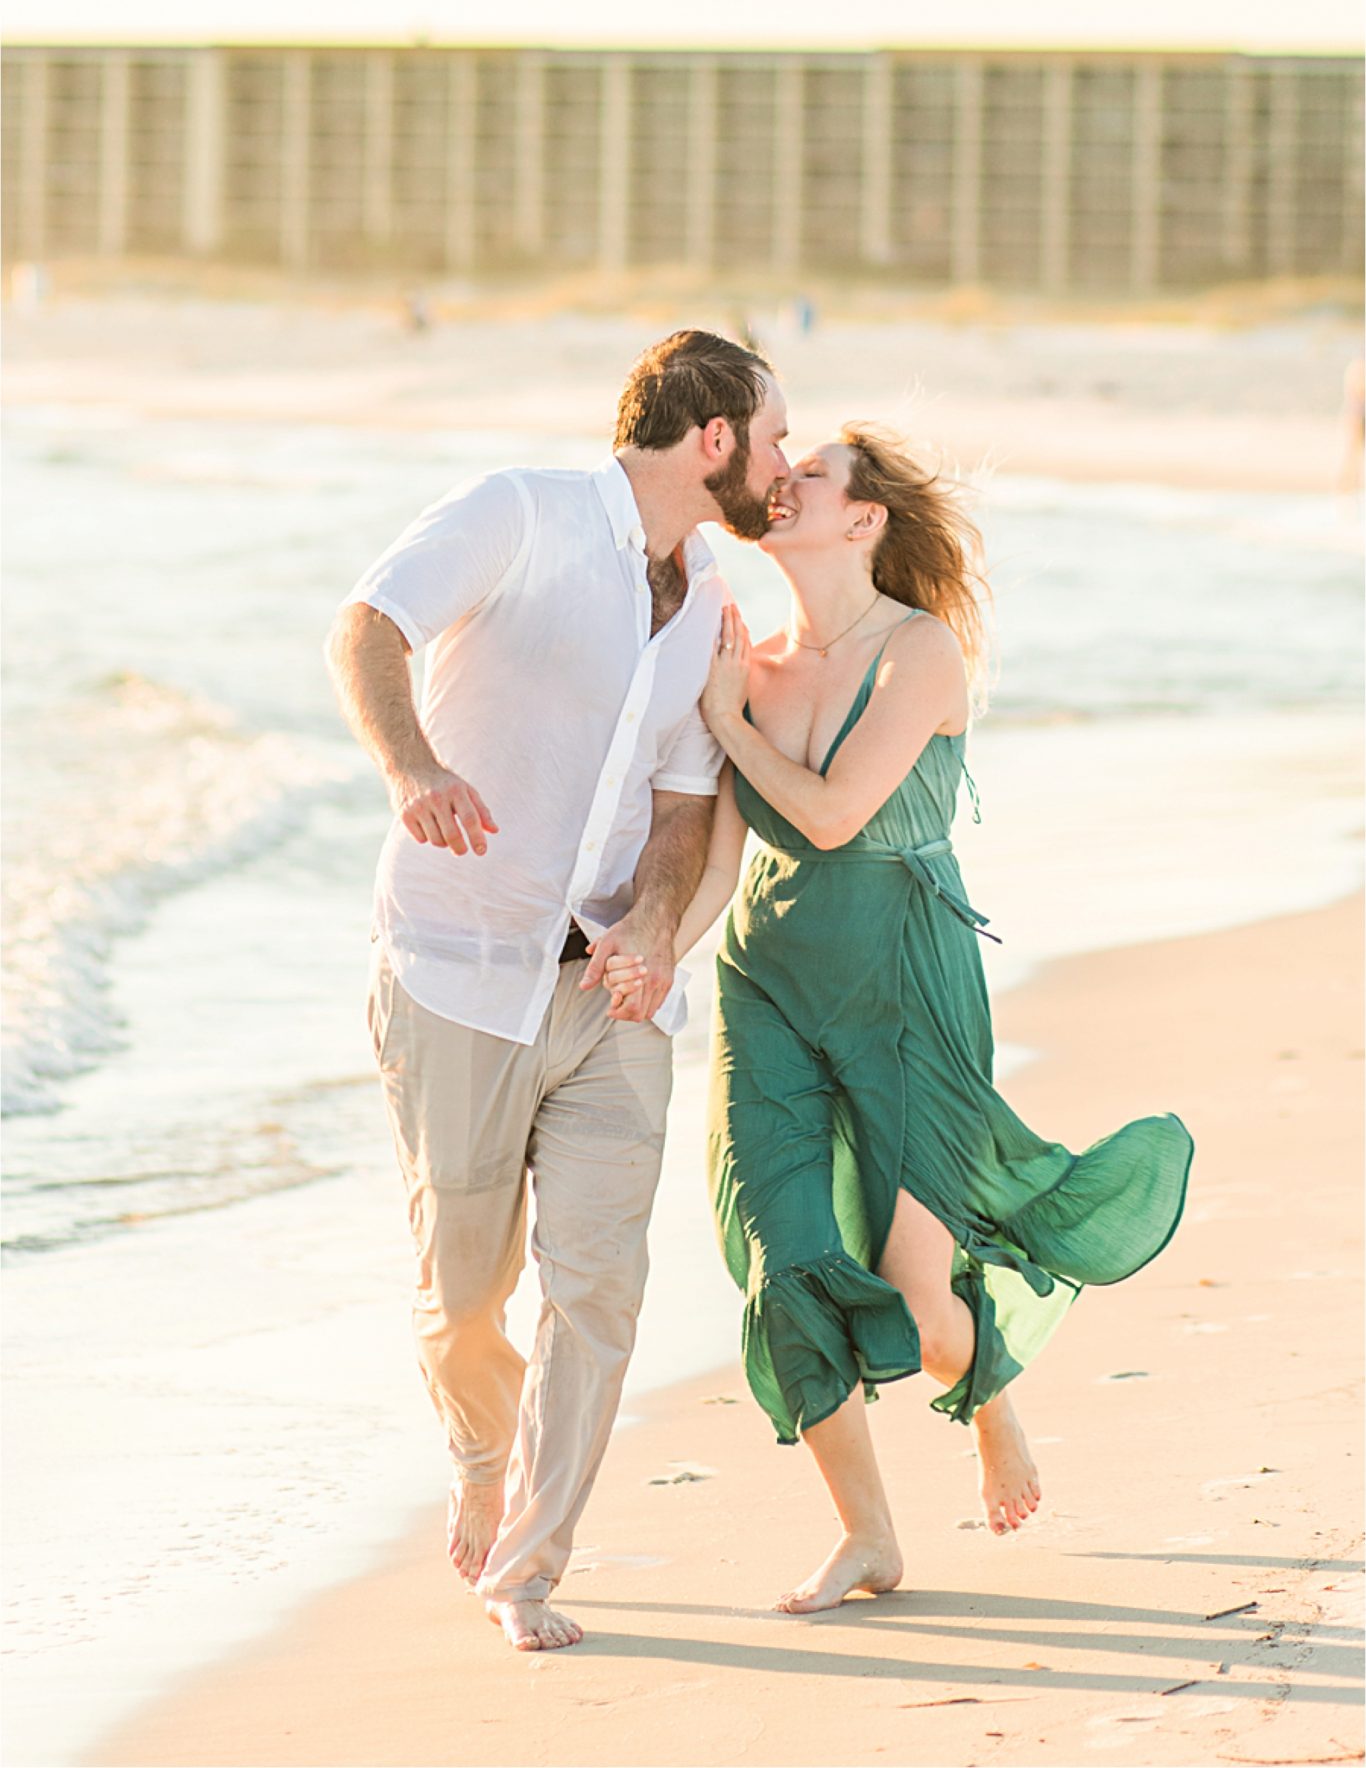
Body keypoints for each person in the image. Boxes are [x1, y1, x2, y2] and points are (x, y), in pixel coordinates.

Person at [606, 423, 1193, 1613]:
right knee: (783, 1262)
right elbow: (727, 856)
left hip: (908, 987)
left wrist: (723, 722)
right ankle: (868, 1534)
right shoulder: (749, 659)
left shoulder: (922, 652)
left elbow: (827, 816)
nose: (783, 485)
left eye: (810, 476)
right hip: (767, 985)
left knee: (920, 1297)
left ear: (864, 519)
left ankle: (990, 1400)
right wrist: (652, 951)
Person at [325, 329, 790, 1652]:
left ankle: (526, 1568)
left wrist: (654, 918)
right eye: (770, 436)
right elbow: (366, 627)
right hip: (454, 969)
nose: (781, 461)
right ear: (712, 442)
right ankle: (481, 1452)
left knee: (599, 1285)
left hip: (609, 997)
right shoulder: (516, 513)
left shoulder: (704, 602)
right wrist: (413, 770)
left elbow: (685, 805)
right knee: (462, 1291)